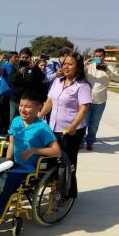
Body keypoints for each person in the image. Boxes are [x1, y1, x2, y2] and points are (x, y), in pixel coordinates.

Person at [0, 91, 61, 230]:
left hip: (29, 169)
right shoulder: (16, 121)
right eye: (21, 105)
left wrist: (34, 150)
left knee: (10, 183)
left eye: (28, 106)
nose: (23, 109)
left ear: (39, 107)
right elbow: (12, 144)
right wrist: (6, 161)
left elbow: (56, 151)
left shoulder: (42, 127)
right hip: (13, 163)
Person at [39, 52, 92, 198]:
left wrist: (73, 126)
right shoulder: (57, 81)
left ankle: (68, 192)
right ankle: (56, 187)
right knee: (52, 160)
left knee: (67, 162)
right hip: (53, 128)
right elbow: (49, 101)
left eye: (70, 64)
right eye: (64, 64)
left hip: (72, 131)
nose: (66, 66)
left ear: (78, 67)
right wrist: (38, 117)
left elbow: (83, 109)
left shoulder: (83, 85)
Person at [84, 48, 119, 151]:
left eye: (100, 56)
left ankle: (90, 141)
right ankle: (81, 141)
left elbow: (117, 78)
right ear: (94, 56)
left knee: (94, 124)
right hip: (86, 99)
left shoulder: (109, 67)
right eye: (96, 56)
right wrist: (87, 61)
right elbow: (78, 70)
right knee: (84, 122)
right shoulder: (89, 66)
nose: (98, 58)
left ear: (104, 57)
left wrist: (107, 70)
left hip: (100, 101)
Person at [8, 47, 44, 121]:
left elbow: (41, 78)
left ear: (30, 58)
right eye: (23, 57)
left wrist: (35, 68)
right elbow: (11, 80)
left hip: (29, 101)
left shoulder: (34, 68)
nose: (24, 59)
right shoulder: (15, 67)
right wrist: (19, 73)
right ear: (19, 57)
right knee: (14, 121)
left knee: (28, 121)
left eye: (26, 57)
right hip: (16, 100)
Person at [0, 52, 19, 142]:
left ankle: (4, 132)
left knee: (9, 115)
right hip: (4, 94)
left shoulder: (17, 67)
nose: (17, 59)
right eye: (15, 57)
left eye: (18, 57)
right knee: (1, 114)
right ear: (10, 58)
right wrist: (0, 61)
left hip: (13, 95)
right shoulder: (5, 65)